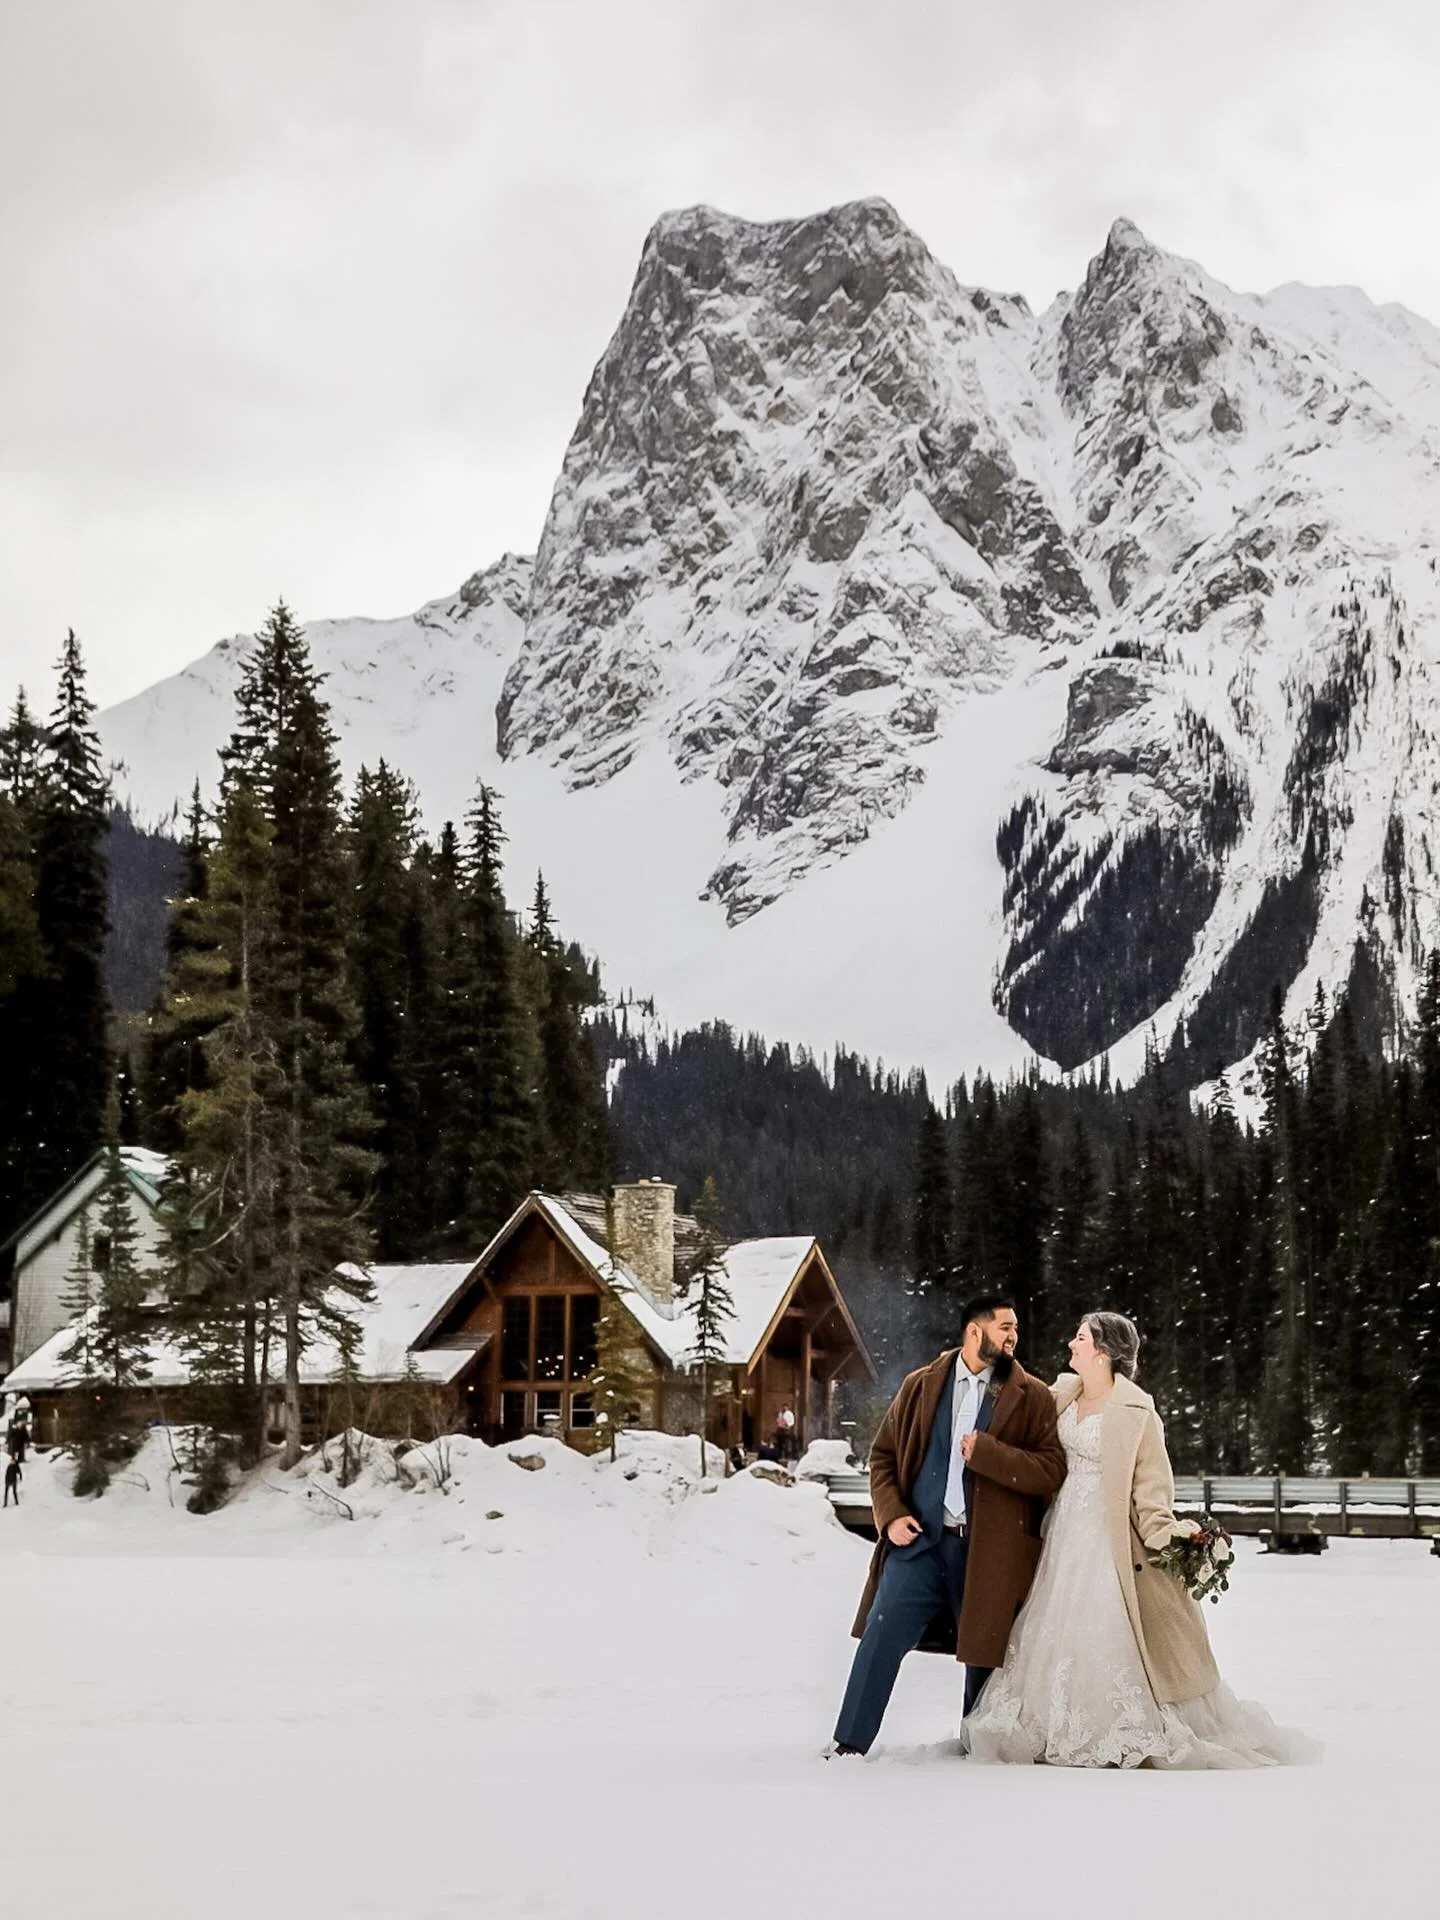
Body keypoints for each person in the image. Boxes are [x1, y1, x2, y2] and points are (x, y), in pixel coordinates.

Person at [964, 1311, 1314, 1768]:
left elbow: (1152, 1494)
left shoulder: (1138, 1413)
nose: (1071, 1344)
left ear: (1104, 1353)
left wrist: (1179, 1538)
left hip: (1107, 1541)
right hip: (1060, 1533)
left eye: (1081, 1338)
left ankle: (1115, 1728)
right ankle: (1048, 1725)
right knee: (1049, 1624)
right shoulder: (1060, 1397)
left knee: (1103, 1627)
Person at [829, 1297, 1066, 1756]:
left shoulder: (1031, 1395)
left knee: (983, 1654)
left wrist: (991, 1455)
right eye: (1004, 1327)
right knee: (881, 1635)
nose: (1013, 1336)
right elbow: (882, 1458)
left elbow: (1052, 1469)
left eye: (1015, 1327)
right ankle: (850, 1744)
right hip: (919, 1544)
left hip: (988, 1552)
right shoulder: (920, 1385)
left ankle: (976, 1748)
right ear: (974, 1334)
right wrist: (891, 1515)